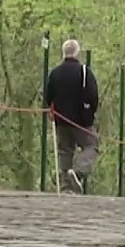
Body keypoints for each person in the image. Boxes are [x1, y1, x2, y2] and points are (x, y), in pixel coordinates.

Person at [45, 39, 99, 194]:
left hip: (61, 119)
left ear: (63, 53)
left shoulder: (55, 73)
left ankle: (66, 186)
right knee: (92, 145)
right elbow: (93, 95)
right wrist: (90, 114)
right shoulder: (84, 72)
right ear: (77, 53)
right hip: (81, 120)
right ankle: (79, 171)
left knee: (64, 150)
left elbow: (49, 97)